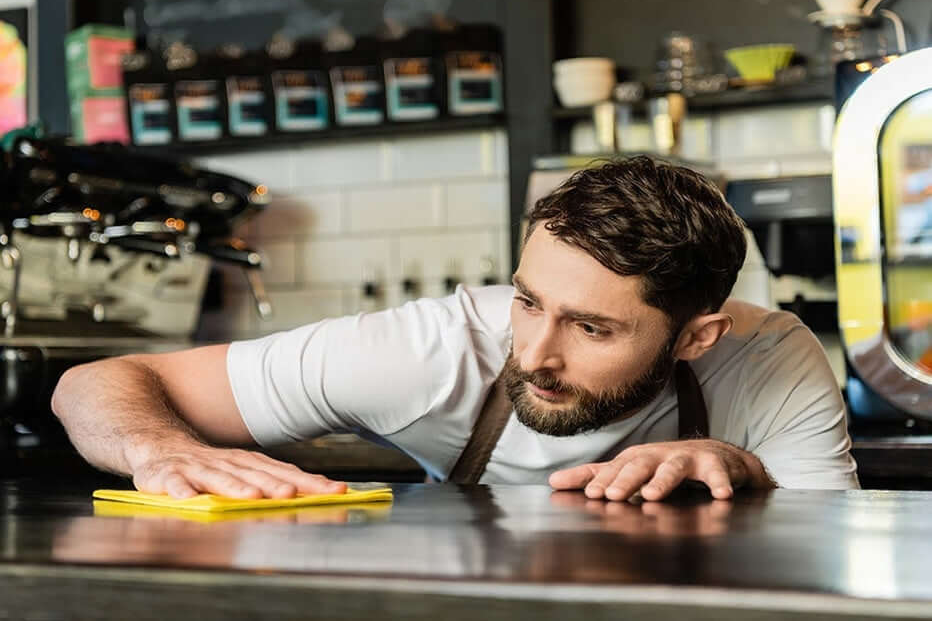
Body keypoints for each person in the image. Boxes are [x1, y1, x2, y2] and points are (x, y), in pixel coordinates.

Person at [52, 157, 859, 501]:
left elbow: (829, 565)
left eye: (591, 327)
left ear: (696, 338)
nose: (535, 353)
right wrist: (162, 449)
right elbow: (95, 384)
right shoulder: (432, 350)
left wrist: (739, 467)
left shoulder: (770, 358)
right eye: (528, 301)